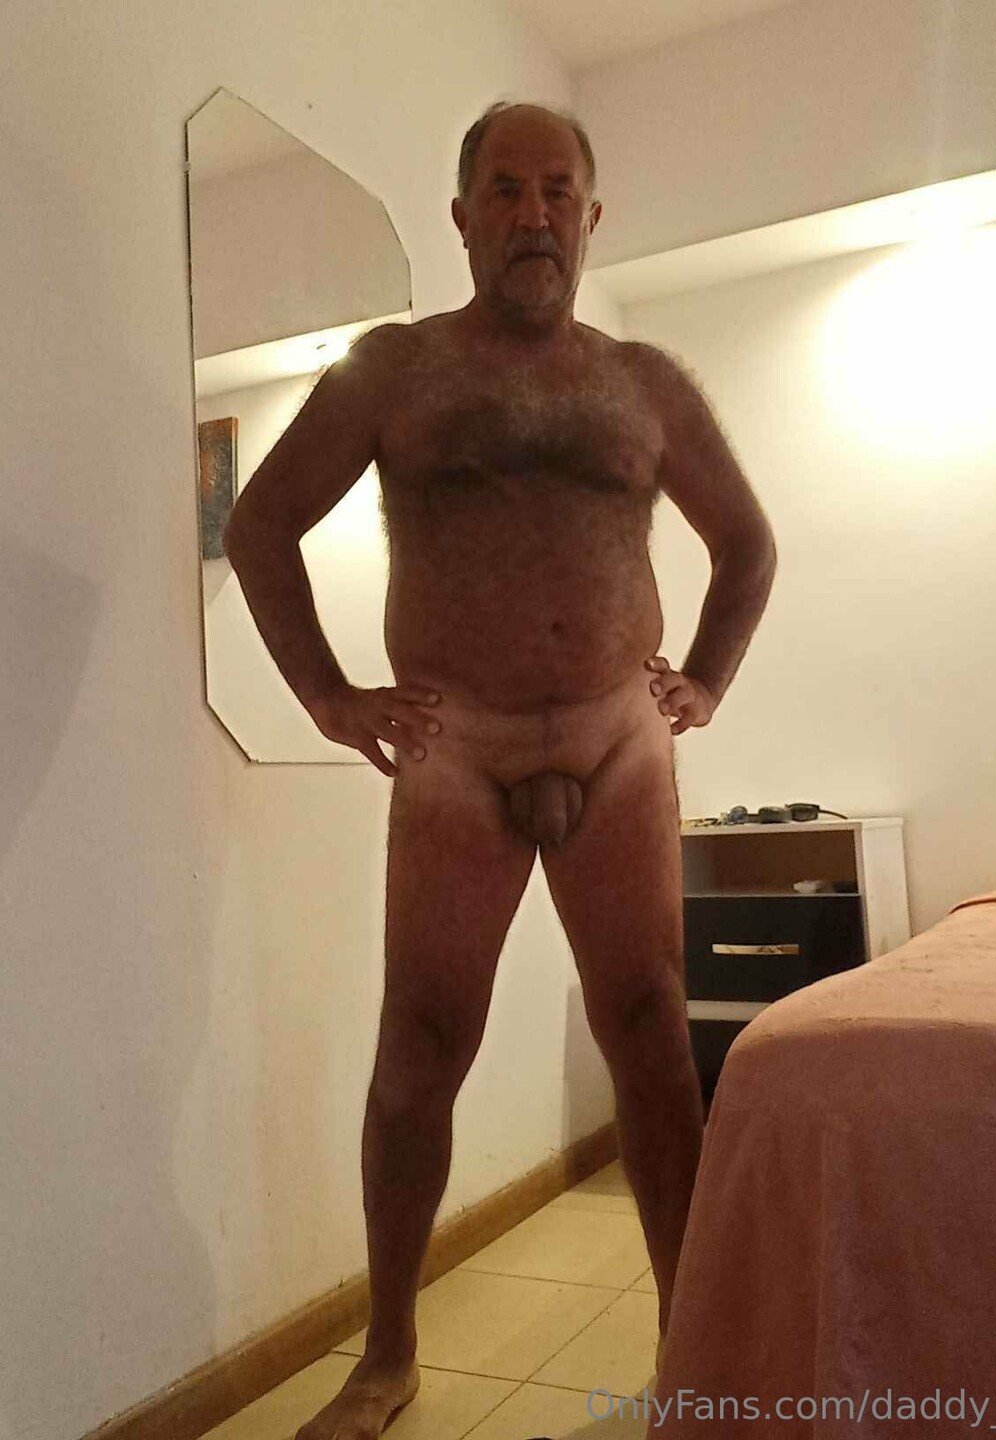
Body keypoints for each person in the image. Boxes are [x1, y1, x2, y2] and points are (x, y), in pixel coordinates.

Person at [224, 99, 777, 1440]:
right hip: (455, 753)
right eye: (508, 190)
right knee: (420, 1045)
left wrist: (704, 680)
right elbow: (258, 528)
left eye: (557, 190)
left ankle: (687, 1347)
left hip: (618, 743)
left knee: (650, 1033)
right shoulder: (391, 371)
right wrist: (327, 696)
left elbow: (748, 546)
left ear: (591, 218)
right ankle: (387, 1354)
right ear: (465, 216)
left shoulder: (647, 383)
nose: (534, 214)